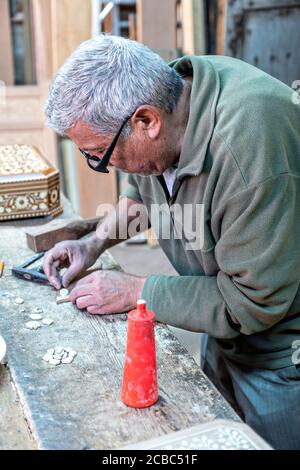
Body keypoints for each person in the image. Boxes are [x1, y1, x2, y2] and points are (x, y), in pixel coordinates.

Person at [44, 35, 300, 449]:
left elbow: (253, 302)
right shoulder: (172, 97)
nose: (101, 165)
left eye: (98, 154)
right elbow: (145, 186)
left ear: (146, 122)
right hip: (223, 329)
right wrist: (94, 243)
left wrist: (136, 291)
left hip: (281, 356)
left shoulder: (247, 149)